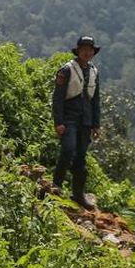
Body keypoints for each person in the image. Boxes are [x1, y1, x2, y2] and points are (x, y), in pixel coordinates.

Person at [52, 36, 102, 210]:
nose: (87, 53)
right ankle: (56, 186)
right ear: (78, 51)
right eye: (84, 49)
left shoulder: (94, 71)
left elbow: (96, 100)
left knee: (81, 156)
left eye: (90, 50)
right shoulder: (67, 69)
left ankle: (78, 193)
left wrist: (96, 124)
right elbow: (58, 98)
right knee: (68, 149)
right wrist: (58, 121)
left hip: (86, 120)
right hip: (69, 118)